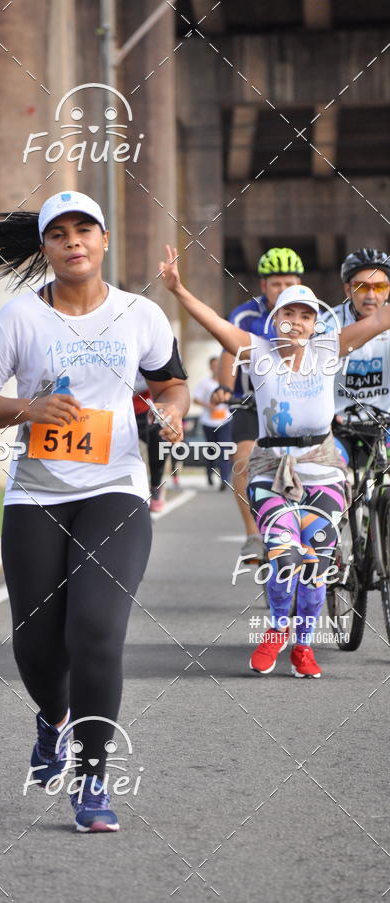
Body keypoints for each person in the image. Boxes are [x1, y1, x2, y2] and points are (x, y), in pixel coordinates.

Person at [0, 192, 189, 832]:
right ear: (48, 249)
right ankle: (51, 718)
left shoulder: (140, 315)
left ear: (104, 240)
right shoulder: (20, 319)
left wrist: (173, 410)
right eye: (60, 234)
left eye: (85, 229)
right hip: (37, 494)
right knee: (36, 645)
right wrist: (27, 410)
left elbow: (169, 380)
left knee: (96, 631)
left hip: (115, 489)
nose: (73, 241)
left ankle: (91, 781)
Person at [160, 244, 390, 678]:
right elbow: (214, 323)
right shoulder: (258, 351)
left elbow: (380, 318)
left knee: (317, 555)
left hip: (321, 465)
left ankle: (304, 647)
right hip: (269, 466)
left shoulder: (328, 349)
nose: (297, 322)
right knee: (284, 554)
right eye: (289, 314)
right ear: (275, 320)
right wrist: (178, 289)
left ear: (315, 322)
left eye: (306, 315)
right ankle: (276, 630)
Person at [211, 248, 305, 563]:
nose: (282, 290)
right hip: (252, 403)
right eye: (276, 284)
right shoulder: (245, 316)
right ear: (264, 286)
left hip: (297, 401)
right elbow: (228, 353)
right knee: (243, 460)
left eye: (289, 283)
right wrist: (225, 387)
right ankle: (253, 533)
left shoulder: (307, 314)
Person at [322, 248, 390, 419]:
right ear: (347, 290)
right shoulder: (328, 323)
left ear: (388, 290)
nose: (371, 295)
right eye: (361, 287)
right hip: (340, 424)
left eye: (380, 287)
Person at [133, 374, 179, 513]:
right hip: (125, 411)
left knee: (159, 449)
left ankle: (156, 485)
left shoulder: (152, 357)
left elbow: (171, 383)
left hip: (151, 410)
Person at [193, 356, 232, 489]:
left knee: (223, 450)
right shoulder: (205, 383)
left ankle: (224, 480)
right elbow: (196, 399)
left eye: (218, 365)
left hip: (224, 421)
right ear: (210, 367)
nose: (216, 368)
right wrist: (209, 405)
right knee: (211, 450)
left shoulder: (227, 382)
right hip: (208, 422)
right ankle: (209, 474)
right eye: (214, 365)